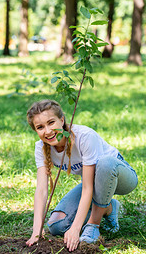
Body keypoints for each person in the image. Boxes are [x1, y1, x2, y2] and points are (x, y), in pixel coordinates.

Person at [26, 99, 138, 252]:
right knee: (57, 226)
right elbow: (41, 190)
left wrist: (76, 229)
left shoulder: (84, 136)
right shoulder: (40, 148)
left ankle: (93, 224)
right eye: (40, 127)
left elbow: (87, 188)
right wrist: (37, 230)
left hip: (120, 176)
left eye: (51, 122)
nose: (47, 131)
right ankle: (109, 208)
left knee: (105, 164)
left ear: (62, 120)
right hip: (93, 182)